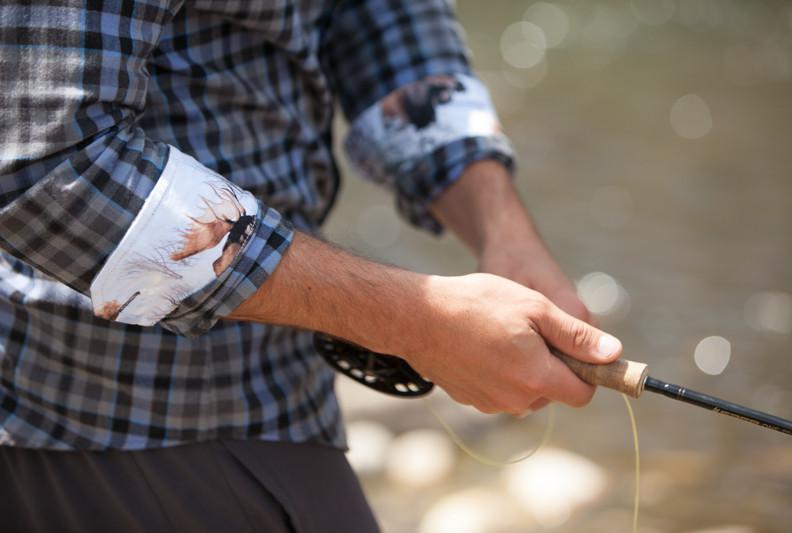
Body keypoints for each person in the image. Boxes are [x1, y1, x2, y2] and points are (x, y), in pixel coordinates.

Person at [0, 1, 623, 531]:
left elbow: (380, 16)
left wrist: (502, 229)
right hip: (108, 409)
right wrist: (417, 321)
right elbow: (49, 161)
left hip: (281, 382)